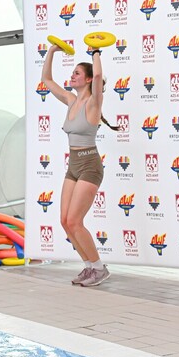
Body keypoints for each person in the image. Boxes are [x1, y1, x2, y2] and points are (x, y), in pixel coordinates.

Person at [41, 44, 118, 287]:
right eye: (72, 72)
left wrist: (95, 52)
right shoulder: (70, 99)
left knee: (75, 221)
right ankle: (89, 266)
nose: (72, 76)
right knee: (65, 221)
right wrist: (52, 51)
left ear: (87, 80)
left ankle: (99, 268)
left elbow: (98, 74)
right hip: (73, 164)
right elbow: (46, 80)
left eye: (77, 73)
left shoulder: (94, 103)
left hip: (89, 165)